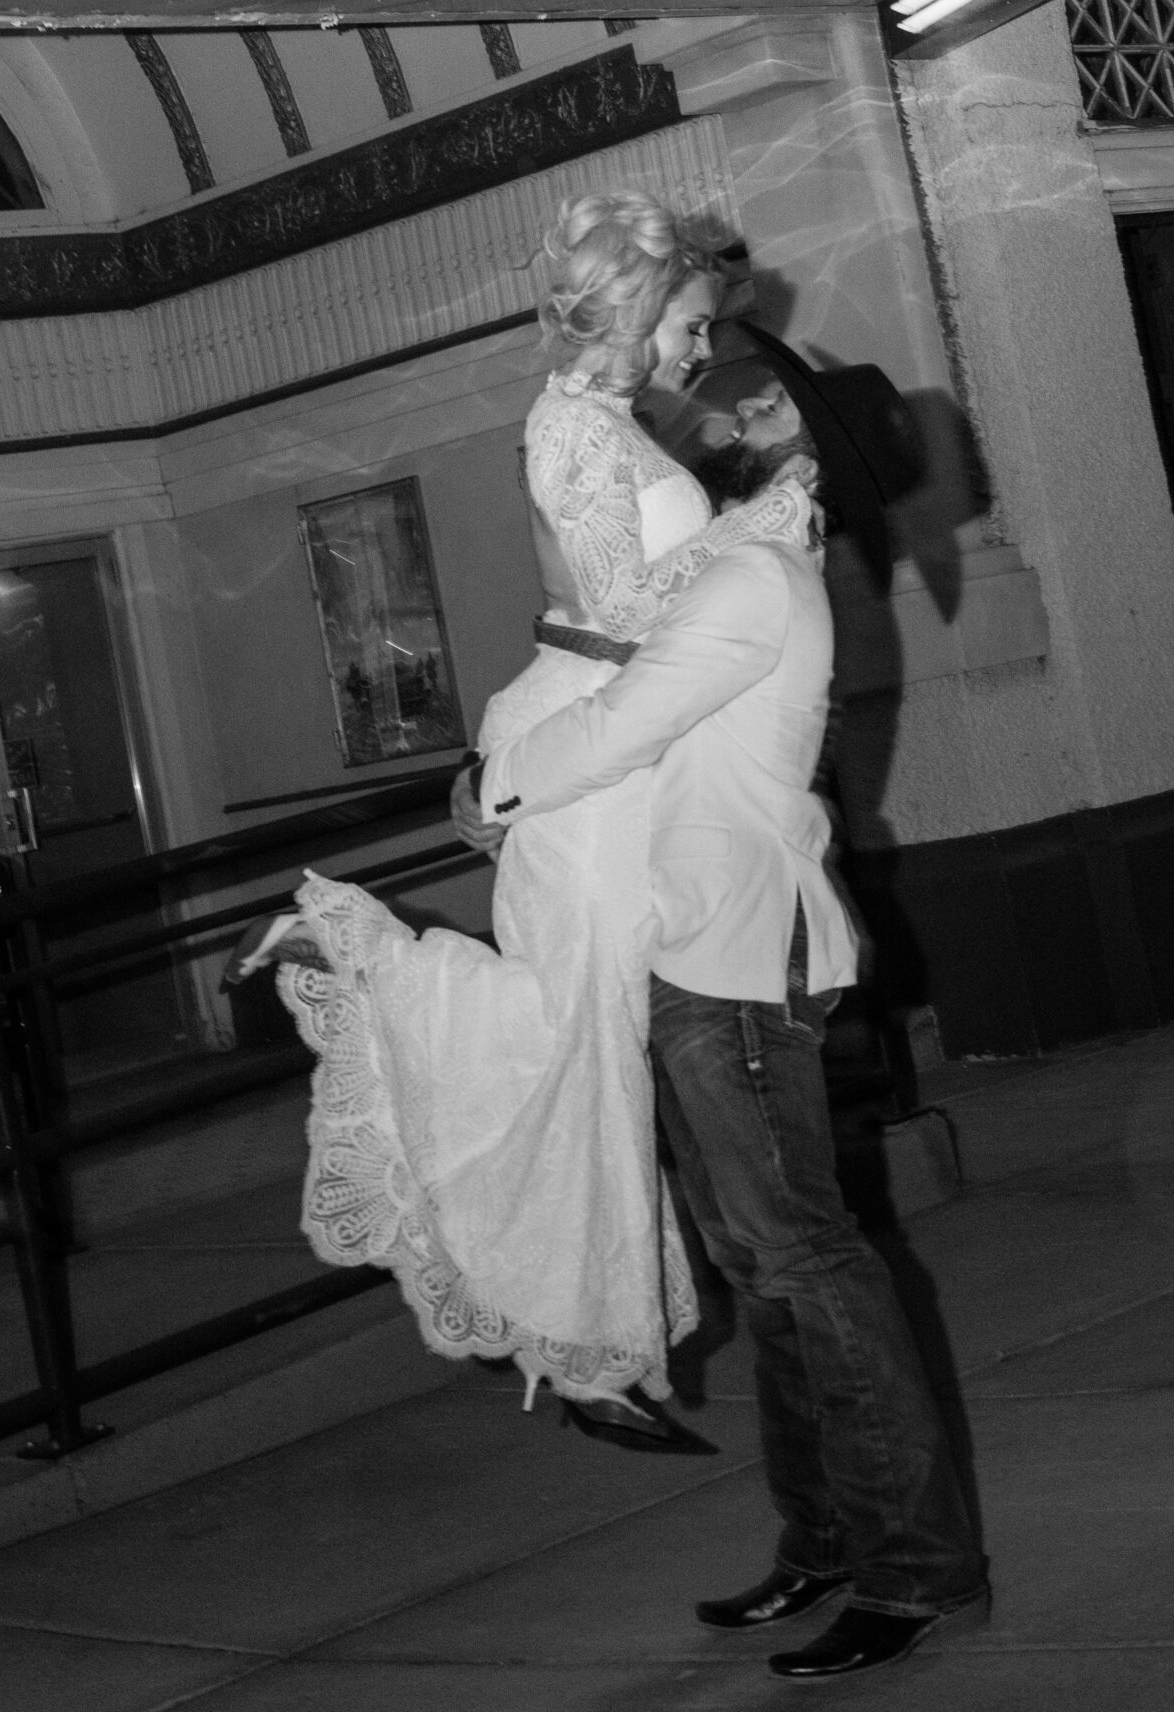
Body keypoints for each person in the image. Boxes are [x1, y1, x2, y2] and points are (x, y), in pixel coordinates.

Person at [226, 194, 816, 1446]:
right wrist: (765, 522)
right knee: (577, 1023)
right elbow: (628, 602)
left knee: (595, 1028)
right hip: (586, 734)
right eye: (693, 323)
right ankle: (365, 962)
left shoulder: (612, 426)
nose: (701, 350)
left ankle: (596, 1345)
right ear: (640, 306)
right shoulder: (569, 428)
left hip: (609, 733)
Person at [462, 378, 989, 1681]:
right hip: (690, 946)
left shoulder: (752, 582)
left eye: (751, 407)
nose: (718, 411)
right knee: (762, 1270)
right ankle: (825, 1539)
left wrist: (497, 785)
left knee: (804, 1258)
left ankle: (914, 1570)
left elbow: (630, 721)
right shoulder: (720, 566)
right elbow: (595, 659)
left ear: (791, 452)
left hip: (735, 955)